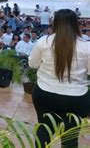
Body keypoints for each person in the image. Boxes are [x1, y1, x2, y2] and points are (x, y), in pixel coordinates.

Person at [29, 9, 90, 147]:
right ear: (76, 24)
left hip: (45, 93)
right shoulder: (87, 46)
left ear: (54, 23)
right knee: (70, 138)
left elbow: (32, 64)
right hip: (76, 98)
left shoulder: (43, 42)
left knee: (44, 131)